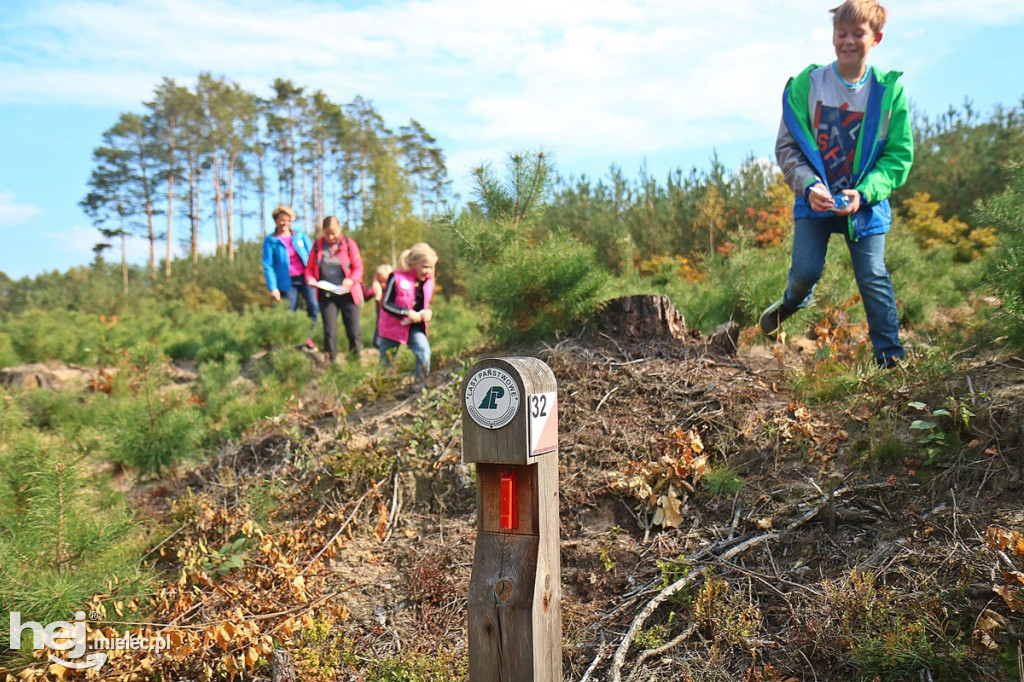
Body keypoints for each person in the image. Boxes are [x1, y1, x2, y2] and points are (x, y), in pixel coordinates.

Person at [759, 0, 913, 368]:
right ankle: (793, 302)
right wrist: (809, 186)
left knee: (873, 277)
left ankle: (890, 361)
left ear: (875, 38)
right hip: (816, 200)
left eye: (857, 34)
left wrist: (865, 192)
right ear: (832, 37)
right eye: (841, 33)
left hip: (865, 204)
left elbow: (897, 157)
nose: (847, 41)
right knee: (805, 272)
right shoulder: (806, 86)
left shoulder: (888, 93)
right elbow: (787, 147)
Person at [305, 216, 365, 362]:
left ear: (340, 229)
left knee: (353, 331)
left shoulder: (349, 244)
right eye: (327, 234)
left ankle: (355, 362)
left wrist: (351, 280)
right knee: (330, 331)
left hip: (347, 293)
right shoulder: (317, 246)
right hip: (327, 294)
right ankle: (330, 365)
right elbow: (309, 269)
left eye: (334, 233)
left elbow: (358, 268)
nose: (331, 237)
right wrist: (310, 279)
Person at [262, 205, 319, 349]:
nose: (285, 224)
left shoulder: (299, 235)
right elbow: (268, 265)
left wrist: (316, 275)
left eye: (287, 220)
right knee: (290, 311)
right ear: (275, 221)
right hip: (287, 282)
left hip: (306, 278)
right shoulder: (271, 241)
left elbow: (313, 254)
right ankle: (291, 343)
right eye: (282, 220)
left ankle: (307, 337)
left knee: (313, 306)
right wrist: (273, 287)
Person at [377, 244, 437, 380]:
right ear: (413, 263)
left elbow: (423, 305)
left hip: (414, 327)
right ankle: (380, 390)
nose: (429, 271)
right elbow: (385, 304)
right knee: (385, 363)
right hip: (392, 328)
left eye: (432, 267)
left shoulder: (427, 283)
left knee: (424, 352)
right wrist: (406, 312)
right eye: (425, 266)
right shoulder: (397, 278)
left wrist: (428, 313)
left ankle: (420, 383)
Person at [366, 264, 393, 349]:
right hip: (380, 318)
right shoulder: (377, 290)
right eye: (380, 281)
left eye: (385, 281)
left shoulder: (392, 290)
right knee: (376, 341)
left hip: (390, 318)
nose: (383, 284)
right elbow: (366, 296)